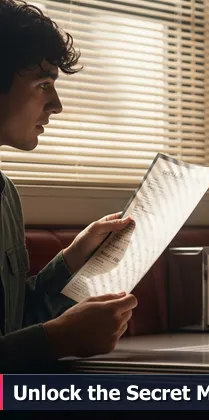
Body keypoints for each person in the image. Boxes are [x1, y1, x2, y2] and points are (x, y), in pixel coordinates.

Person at [0, 0, 137, 372]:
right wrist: (56, 339)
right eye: (43, 85)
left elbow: (12, 320)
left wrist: (75, 257)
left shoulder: (5, 194)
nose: (56, 105)